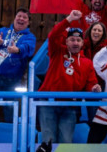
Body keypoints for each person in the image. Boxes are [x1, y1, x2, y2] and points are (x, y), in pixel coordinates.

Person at [38, 10, 101, 143]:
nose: (75, 43)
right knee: (48, 140)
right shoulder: (57, 52)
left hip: (70, 106)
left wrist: (95, 88)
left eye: (78, 40)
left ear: (83, 43)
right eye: (72, 39)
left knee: (66, 142)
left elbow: (91, 84)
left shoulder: (87, 63)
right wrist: (69, 19)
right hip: (49, 102)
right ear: (66, 42)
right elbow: (53, 35)